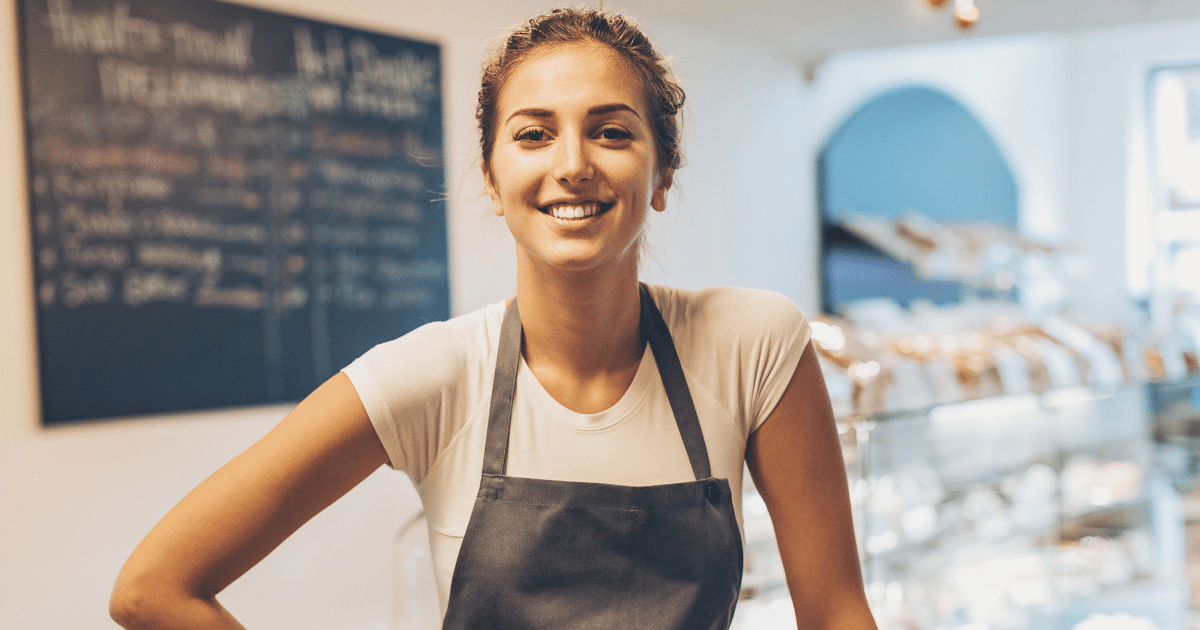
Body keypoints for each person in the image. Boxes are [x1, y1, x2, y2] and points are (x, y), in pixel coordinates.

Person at [110, 7, 877, 630]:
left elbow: (837, 613)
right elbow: (153, 588)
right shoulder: (437, 374)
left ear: (663, 172)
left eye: (611, 131)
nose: (572, 162)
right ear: (492, 175)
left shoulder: (755, 344)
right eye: (533, 133)